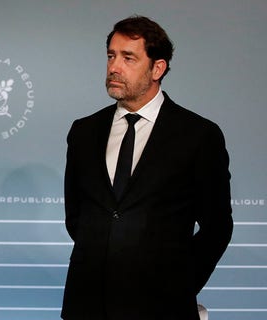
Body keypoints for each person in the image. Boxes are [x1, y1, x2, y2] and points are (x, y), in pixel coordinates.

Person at [62, 16, 232, 319]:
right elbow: (77, 218)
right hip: (87, 305)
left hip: (163, 307)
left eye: (129, 58)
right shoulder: (84, 132)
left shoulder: (198, 135)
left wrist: (179, 285)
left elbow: (217, 227)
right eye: (111, 56)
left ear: (158, 68)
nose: (114, 67)